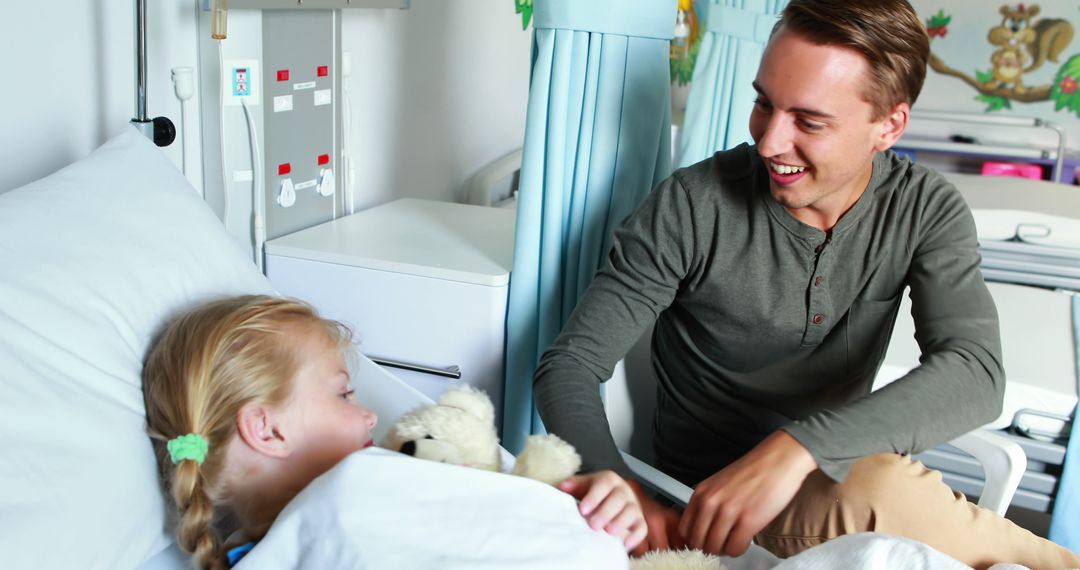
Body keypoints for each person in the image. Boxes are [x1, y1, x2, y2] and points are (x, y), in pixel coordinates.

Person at [532, 0, 1080, 568]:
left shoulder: (924, 208)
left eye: (809, 122)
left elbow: (975, 372)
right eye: (763, 104)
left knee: (885, 486)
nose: (769, 141)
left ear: (888, 125)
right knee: (885, 489)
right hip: (712, 500)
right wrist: (621, 485)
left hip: (837, 472)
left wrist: (798, 448)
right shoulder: (693, 206)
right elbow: (569, 366)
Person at [142, 295, 646, 569]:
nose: (369, 417)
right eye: (343, 394)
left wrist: (593, 501)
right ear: (267, 430)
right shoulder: (347, 496)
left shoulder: (406, 475)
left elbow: (506, 522)